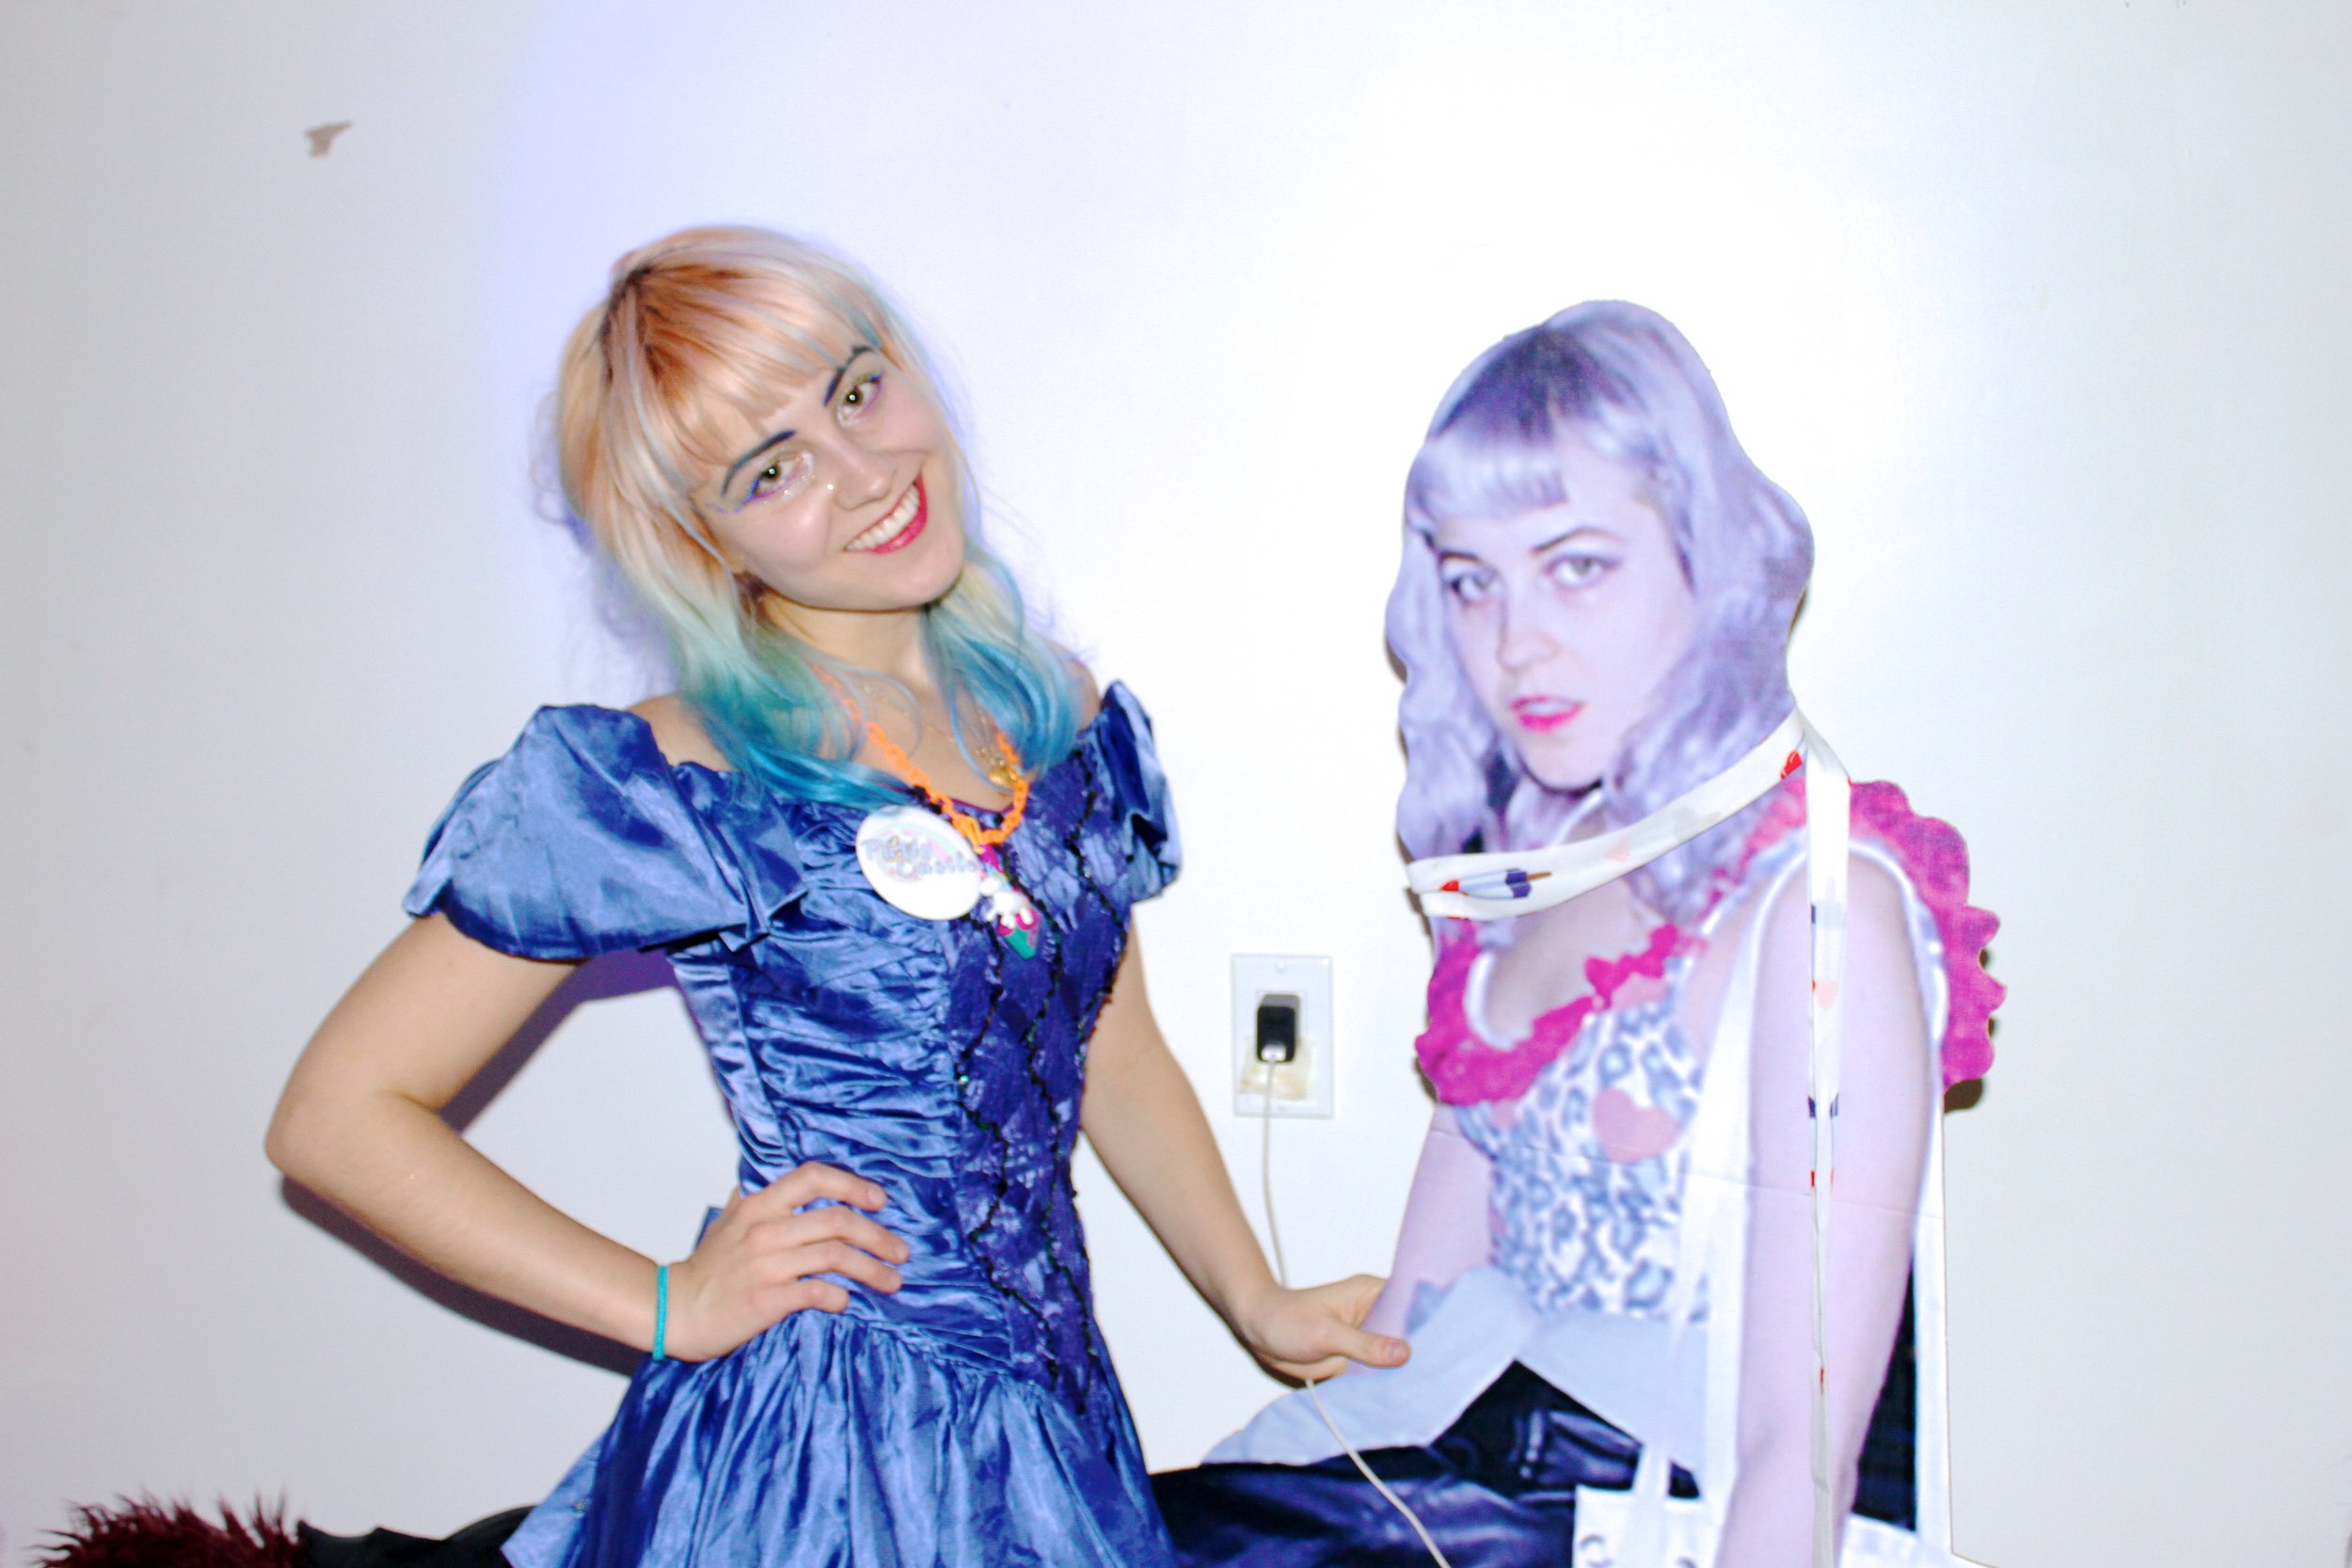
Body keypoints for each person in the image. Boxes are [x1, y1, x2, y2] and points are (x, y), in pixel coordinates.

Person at [265, 225, 1407, 1568]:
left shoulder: (1057, 717)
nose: (867, 473)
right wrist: (668, 1303)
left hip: (1052, 1425)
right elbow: (336, 1117)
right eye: (774, 469)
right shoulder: (681, 777)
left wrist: (1253, 1297)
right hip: (823, 1458)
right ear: (704, 541)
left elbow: (1113, 1047)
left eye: (858, 391)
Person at [1153, 303, 2001, 1567]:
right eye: (1472, 582)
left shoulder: (1820, 907)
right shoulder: (1523, 890)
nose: (1516, 643)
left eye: (1578, 567)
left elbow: (1803, 1446)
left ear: (1708, 558)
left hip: (1663, 1507)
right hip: (1480, 1467)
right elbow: (1414, 1324)